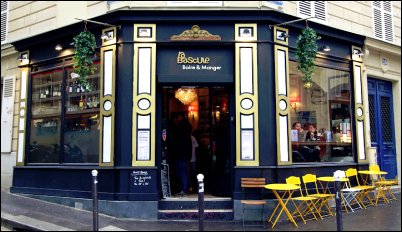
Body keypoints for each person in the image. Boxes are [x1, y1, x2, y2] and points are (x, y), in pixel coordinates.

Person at [174, 113, 193, 196]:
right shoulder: (188, 133)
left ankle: (184, 189)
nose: (177, 120)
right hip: (186, 155)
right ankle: (185, 188)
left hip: (180, 155)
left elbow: (177, 144)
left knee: (181, 172)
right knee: (185, 172)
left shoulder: (180, 132)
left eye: (178, 118)